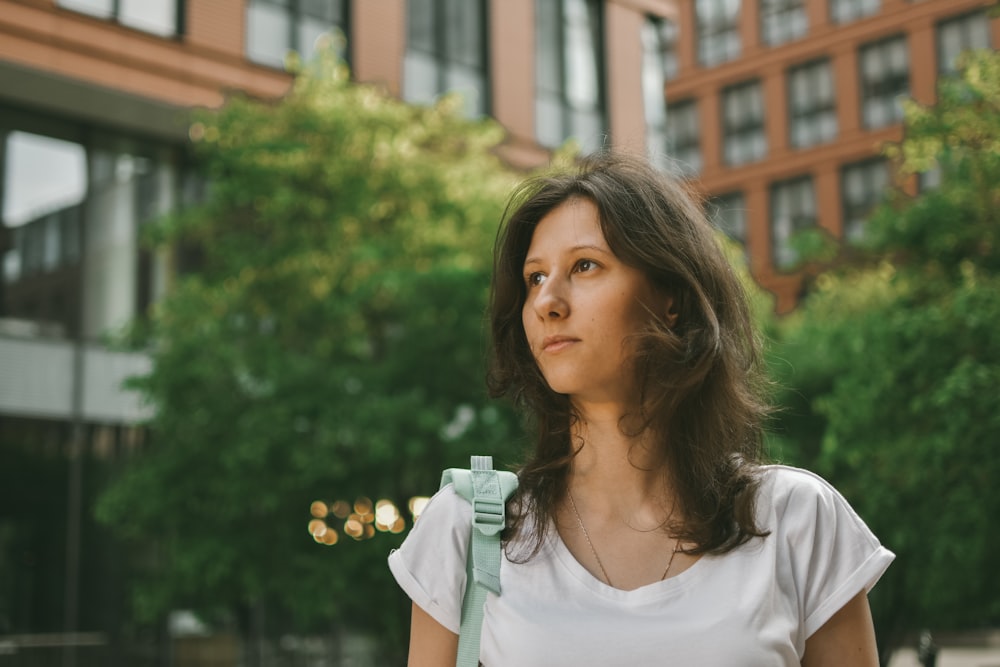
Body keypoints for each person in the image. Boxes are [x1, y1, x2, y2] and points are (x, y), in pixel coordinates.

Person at [388, 152, 894, 666]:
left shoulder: (796, 520)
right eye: (535, 278)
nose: (546, 302)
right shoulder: (470, 529)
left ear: (671, 296)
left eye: (585, 266)